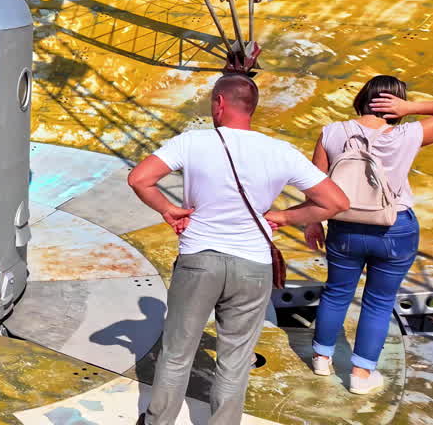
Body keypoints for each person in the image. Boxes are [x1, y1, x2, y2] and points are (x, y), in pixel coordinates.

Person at [127, 74, 349, 425]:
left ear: (219, 103)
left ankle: (158, 421)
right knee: (234, 358)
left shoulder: (193, 142)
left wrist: (168, 210)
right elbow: (336, 202)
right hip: (253, 265)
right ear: (252, 107)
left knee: (177, 354)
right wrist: (285, 217)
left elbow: (139, 178)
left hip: (199, 259)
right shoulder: (280, 151)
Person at [306, 76, 433, 394]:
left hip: (344, 225)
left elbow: (315, 182)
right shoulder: (407, 134)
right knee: (379, 301)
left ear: (361, 98)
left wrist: (311, 223)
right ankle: (361, 374)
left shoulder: (332, 132)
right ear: (397, 102)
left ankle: (321, 358)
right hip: (394, 227)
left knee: (336, 292)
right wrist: (412, 108)